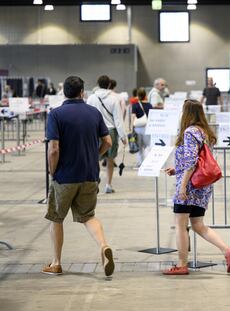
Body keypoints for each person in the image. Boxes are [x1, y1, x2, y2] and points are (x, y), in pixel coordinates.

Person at [42, 76, 115, 277]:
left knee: (56, 218)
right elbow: (107, 142)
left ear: (64, 92)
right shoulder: (93, 113)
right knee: (88, 216)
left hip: (65, 175)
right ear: (82, 92)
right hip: (89, 175)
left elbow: (53, 149)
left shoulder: (55, 114)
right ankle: (103, 246)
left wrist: (52, 170)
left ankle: (56, 263)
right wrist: (94, 156)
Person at [163, 99, 230, 275]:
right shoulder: (205, 133)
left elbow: (191, 162)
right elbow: (200, 160)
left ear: (186, 113)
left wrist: (182, 187)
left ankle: (181, 264)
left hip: (188, 187)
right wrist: (177, 169)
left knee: (180, 225)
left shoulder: (189, 132)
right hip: (202, 187)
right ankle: (226, 250)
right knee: (198, 225)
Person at [87, 75, 127, 194]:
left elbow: (88, 116)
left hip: (95, 130)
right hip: (111, 132)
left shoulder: (91, 98)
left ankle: (94, 182)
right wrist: (123, 136)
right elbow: (118, 119)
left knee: (95, 158)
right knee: (110, 159)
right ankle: (108, 185)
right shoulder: (114, 99)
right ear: (109, 85)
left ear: (98, 84)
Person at [131, 87, 152, 167]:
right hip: (147, 127)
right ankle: (148, 161)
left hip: (138, 128)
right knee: (147, 146)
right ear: (145, 95)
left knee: (139, 146)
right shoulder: (149, 105)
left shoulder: (135, 105)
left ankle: (140, 162)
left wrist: (132, 127)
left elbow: (133, 117)